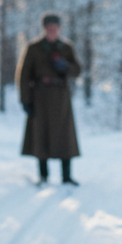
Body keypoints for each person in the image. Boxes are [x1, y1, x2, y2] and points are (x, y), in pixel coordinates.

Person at [17, 12, 82, 185]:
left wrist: (66, 66)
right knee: (41, 134)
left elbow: (77, 70)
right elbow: (24, 76)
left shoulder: (66, 47)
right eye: (49, 28)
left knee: (64, 136)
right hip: (40, 97)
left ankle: (66, 176)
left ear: (59, 29)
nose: (52, 31)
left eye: (55, 28)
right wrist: (25, 100)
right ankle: (43, 175)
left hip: (61, 97)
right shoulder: (34, 48)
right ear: (45, 29)